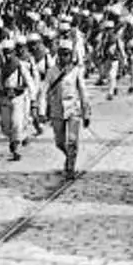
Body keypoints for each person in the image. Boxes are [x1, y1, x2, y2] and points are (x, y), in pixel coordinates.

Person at [44, 39, 90, 179]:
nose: (64, 57)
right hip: (57, 110)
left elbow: (82, 91)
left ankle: (70, 166)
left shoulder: (76, 71)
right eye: (62, 54)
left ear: (71, 55)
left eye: (67, 54)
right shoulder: (52, 71)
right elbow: (44, 90)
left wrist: (86, 112)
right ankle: (68, 156)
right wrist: (40, 110)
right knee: (59, 142)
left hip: (73, 110)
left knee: (72, 140)